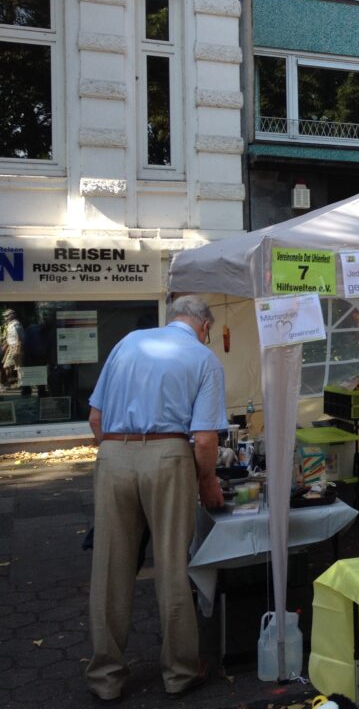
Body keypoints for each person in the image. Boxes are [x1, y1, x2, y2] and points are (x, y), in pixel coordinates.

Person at [85, 295, 226, 704]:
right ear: (204, 327)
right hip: (168, 456)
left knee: (110, 567)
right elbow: (204, 439)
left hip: (112, 452)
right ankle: (179, 673)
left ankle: (106, 677)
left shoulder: (128, 343)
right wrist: (208, 483)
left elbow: (95, 417)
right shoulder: (203, 359)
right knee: (170, 565)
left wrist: (118, 454)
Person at [2, 308, 24, 389]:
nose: (5, 317)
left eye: (7, 316)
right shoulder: (9, 324)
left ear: (12, 315)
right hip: (10, 347)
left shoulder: (16, 324)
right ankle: (13, 382)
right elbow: (9, 337)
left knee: (18, 366)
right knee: (7, 365)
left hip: (16, 346)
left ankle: (21, 383)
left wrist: (18, 349)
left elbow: (20, 337)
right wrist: (5, 344)